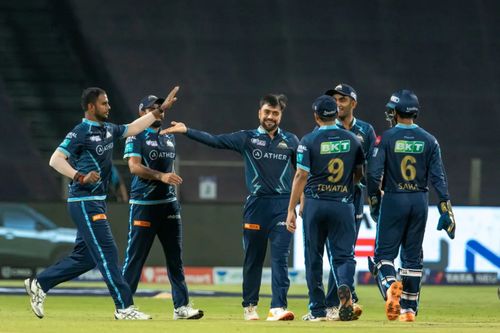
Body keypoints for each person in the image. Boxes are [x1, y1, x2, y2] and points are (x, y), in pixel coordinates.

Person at [24, 86, 179, 320]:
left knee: (85, 258)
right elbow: (55, 159)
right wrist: (78, 176)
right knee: (108, 251)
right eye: (104, 103)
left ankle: (40, 283)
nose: (109, 107)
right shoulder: (80, 131)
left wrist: (158, 112)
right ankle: (124, 308)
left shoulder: (108, 129)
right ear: (90, 107)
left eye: (108, 103)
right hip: (84, 201)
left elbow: (133, 128)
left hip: (96, 202)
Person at [162, 94, 298, 321]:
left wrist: (297, 205)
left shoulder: (292, 141)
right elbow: (215, 140)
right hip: (256, 205)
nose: (270, 117)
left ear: (280, 115)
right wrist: (187, 130)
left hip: (283, 206)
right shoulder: (247, 138)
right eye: (267, 112)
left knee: (280, 258)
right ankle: (250, 307)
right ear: (259, 113)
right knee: (254, 258)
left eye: (275, 113)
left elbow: (302, 175)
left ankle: (278, 307)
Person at [367, 89, 456, 322]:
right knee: (413, 258)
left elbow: (374, 174)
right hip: (419, 201)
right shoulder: (430, 140)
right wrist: (446, 208)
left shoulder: (386, 138)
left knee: (384, 255)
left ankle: (389, 287)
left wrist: (374, 199)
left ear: (396, 112)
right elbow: (439, 178)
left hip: (395, 198)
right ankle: (408, 310)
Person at [121, 94, 203, 320]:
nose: (159, 111)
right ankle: (124, 307)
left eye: (161, 107)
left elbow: (168, 172)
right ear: (142, 112)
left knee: (175, 258)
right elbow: (134, 168)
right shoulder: (135, 134)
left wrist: (168, 178)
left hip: (169, 206)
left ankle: (181, 307)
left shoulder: (169, 138)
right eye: (152, 108)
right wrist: (161, 176)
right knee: (135, 258)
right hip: (144, 205)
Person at [286, 95, 364, 321]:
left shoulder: (308, 141)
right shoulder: (353, 139)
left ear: (316, 116)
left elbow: (301, 175)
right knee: (343, 256)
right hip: (343, 204)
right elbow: (359, 174)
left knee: (313, 257)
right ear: (335, 114)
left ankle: (317, 310)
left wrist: (291, 208)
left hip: (315, 204)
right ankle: (345, 288)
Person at [323, 83, 376, 320]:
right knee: (332, 252)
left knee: (344, 252)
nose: (337, 103)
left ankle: (337, 302)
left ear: (353, 103)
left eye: (342, 99)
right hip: (326, 197)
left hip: (353, 199)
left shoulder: (366, 130)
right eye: (334, 99)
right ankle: (343, 298)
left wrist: (374, 194)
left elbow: (372, 167)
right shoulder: (324, 128)